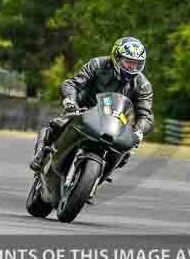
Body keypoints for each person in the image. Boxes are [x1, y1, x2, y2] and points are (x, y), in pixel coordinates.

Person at [29, 37, 154, 203]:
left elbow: (146, 114)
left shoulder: (142, 84)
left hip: (114, 120)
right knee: (58, 123)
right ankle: (43, 154)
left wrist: (139, 131)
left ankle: (95, 180)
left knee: (126, 150)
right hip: (84, 109)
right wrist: (70, 101)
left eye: (136, 64)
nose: (132, 67)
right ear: (116, 57)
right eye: (128, 62)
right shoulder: (97, 64)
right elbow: (72, 83)